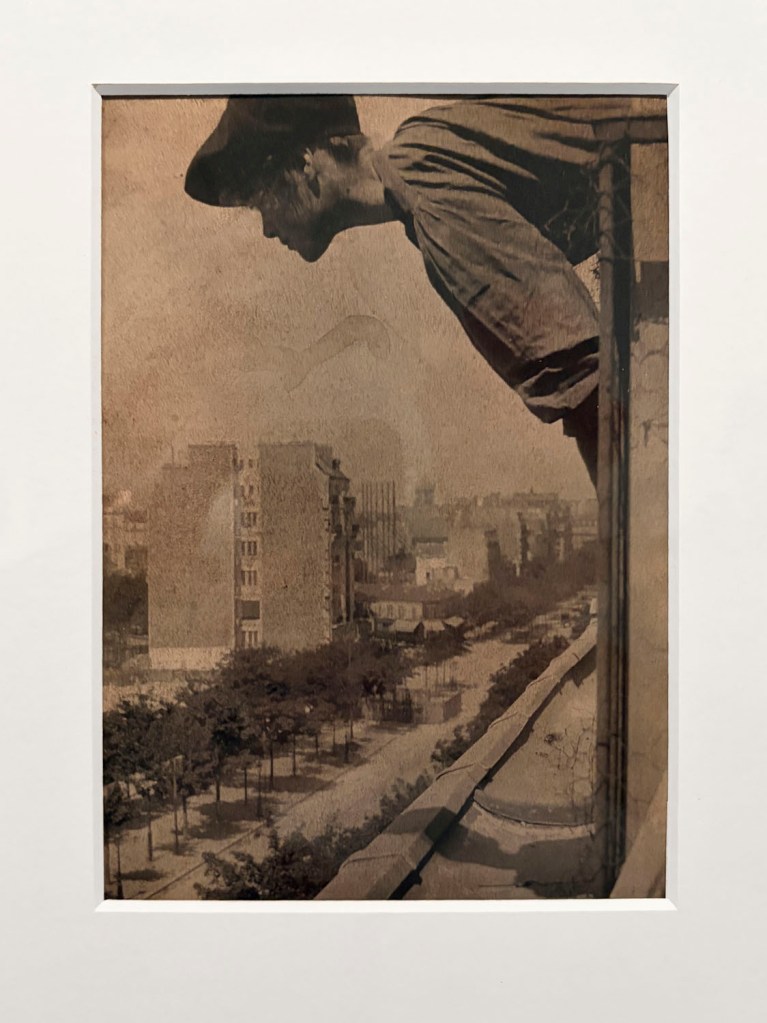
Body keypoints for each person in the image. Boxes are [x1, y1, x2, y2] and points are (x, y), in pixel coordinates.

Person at [184, 95, 666, 486]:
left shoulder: (424, 183)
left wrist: (642, 562)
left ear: (306, 163)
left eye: (261, 199)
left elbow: (589, 385)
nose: (267, 228)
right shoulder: (424, 165)